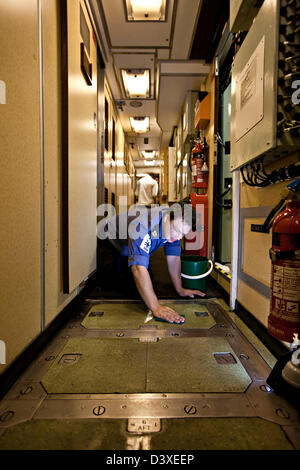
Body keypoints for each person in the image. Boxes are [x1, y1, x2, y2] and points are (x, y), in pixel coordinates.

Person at [97, 200, 205, 324]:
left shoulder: (173, 227)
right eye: (176, 231)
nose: (178, 237)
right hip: (111, 241)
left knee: (150, 287)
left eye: (182, 234)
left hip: (133, 245)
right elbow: (138, 268)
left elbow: (174, 257)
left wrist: (180, 289)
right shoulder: (143, 224)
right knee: (121, 288)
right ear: (166, 219)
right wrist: (156, 308)